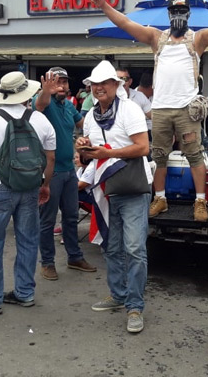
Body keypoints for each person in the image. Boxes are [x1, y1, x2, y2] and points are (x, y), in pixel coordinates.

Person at [90, 0, 208, 222]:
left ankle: (200, 201)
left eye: (182, 10)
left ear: (188, 14)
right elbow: (126, 24)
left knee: (195, 155)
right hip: (159, 109)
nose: (178, 15)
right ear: (169, 14)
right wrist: (105, 6)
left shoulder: (198, 39)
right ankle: (160, 198)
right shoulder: (155, 38)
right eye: (174, 11)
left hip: (186, 108)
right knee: (159, 155)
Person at [0, 71, 56, 316]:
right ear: (26, 93)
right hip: (30, 187)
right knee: (28, 240)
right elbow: (50, 157)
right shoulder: (40, 119)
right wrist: (45, 185)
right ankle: (25, 293)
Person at [75, 60, 151, 333]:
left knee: (134, 248)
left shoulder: (129, 109)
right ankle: (118, 295)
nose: (98, 88)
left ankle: (134, 306)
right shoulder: (92, 116)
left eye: (104, 83)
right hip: (105, 189)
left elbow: (143, 147)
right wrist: (82, 149)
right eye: (94, 84)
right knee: (111, 246)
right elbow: (88, 159)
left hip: (131, 187)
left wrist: (109, 154)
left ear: (116, 86)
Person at [35, 66, 96, 281]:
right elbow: (40, 104)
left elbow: (84, 125)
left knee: (71, 216)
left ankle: (74, 257)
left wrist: (85, 138)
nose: (61, 85)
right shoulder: (45, 103)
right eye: (56, 81)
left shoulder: (69, 107)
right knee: (47, 221)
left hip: (69, 170)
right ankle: (48, 263)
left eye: (64, 82)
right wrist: (46, 90)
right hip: (50, 172)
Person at [117, 67, 152, 132]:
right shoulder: (107, 97)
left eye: (124, 79)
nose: (121, 82)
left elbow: (153, 116)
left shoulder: (140, 96)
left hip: (137, 134)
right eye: (118, 79)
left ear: (130, 82)